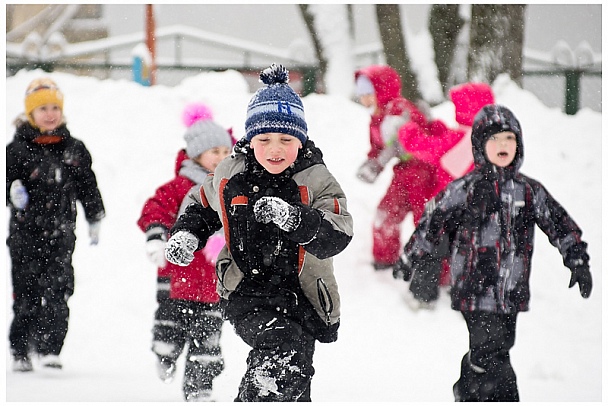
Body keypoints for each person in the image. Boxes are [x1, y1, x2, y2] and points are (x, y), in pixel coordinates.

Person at [164, 64, 353, 402]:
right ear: (250, 140)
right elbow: (202, 204)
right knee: (282, 347)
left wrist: (295, 219)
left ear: (301, 140)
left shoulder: (317, 179)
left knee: (296, 374)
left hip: (304, 296)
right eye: (264, 140)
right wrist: (188, 234)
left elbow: (338, 232)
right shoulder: (231, 174)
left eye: (286, 140)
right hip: (247, 289)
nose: (275, 149)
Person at [392, 104, 592, 401]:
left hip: (511, 291)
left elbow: (560, 224)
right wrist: (412, 255)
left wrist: (577, 259)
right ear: (479, 146)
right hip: (473, 289)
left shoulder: (529, 191)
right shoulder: (465, 189)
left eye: (509, 139)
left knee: (496, 349)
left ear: (518, 145)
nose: (502, 145)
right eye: (494, 139)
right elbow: (432, 222)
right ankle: (499, 397)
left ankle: (468, 387)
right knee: (492, 354)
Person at [6, 77, 106, 372]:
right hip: (25, 234)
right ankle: (21, 349)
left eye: (54, 107)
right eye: (42, 109)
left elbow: (88, 187)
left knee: (59, 289)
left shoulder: (74, 149)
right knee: (26, 291)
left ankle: (51, 347)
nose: (50, 114)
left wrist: (95, 216)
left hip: (61, 235)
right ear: (29, 114)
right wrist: (11, 191)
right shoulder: (16, 150)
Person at [137, 102, 233, 401]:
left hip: (215, 285)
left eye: (226, 152)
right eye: (214, 152)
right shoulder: (179, 186)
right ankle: (165, 353)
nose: (221, 157)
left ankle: (200, 390)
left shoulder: (231, 187)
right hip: (177, 279)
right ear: (196, 155)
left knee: (208, 343)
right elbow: (155, 208)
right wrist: (156, 236)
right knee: (170, 328)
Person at [395, 82, 495, 301]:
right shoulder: (491, 144)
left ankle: (423, 295)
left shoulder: (457, 140)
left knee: (431, 251)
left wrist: (407, 129)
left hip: (448, 210)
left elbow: (421, 146)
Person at [354, 65, 437, 270]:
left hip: (424, 170)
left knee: (426, 219)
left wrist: (381, 161)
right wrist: (372, 163)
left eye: (368, 93)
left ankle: (434, 270)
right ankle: (385, 259)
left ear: (382, 90)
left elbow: (405, 139)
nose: (363, 98)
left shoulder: (399, 109)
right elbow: (378, 147)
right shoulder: (375, 118)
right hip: (404, 171)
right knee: (386, 212)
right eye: (360, 93)